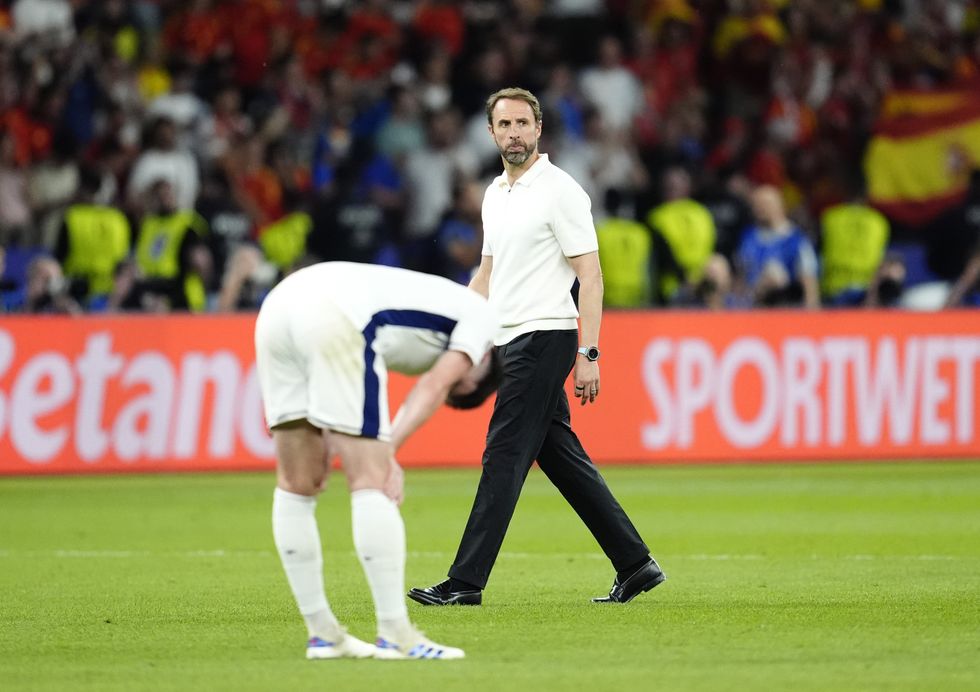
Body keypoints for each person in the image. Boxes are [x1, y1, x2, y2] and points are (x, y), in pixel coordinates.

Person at [409, 87, 664, 608]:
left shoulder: (561, 191)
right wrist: (456, 331)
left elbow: (589, 277)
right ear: (491, 133)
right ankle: (635, 563)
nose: (514, 134)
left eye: (522, 123)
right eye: (504, 125)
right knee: (562, 458)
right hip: (509, 341)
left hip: (546, 336)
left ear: (539, 128)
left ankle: (465, 582)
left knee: (503, 456)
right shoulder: (494, 194)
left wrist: (588, 354)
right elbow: (488, 272)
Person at [254, 261, 503, 661]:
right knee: (372, 479)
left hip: (279, 306)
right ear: (484, 365)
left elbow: (340, 387)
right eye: (464, 384)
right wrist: (387, 453)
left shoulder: (438, 299)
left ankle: (323, 635)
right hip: (337, 314)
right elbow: (434, 384)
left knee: (298, 483)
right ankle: (396, 634)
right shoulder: (486, 321)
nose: (457, 379)